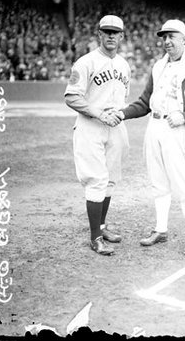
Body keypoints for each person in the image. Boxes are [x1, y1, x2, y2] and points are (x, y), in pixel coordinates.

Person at [113, 19, 185, 255]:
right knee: (158, 182)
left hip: (178, 130)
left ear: (184, 39)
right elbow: (144, 103)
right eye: (164, 37)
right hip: (155, 126)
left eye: (172, 36)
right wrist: (122, 113)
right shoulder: (158, 66)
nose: (167, 41)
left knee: (184, 185)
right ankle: (160, 230)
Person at [64, 15, 131, 256]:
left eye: (116, 32)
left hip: (116, 126)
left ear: (122, 36)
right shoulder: (86, 62)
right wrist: (100, 114)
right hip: (90, 126)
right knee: (96, 179)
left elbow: (123, 99)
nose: (111, 35)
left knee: (111, 178)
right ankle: (95, 238)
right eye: (107, 31)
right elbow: (72, 96)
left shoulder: (124, 65)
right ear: (99, 34)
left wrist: (117, 116)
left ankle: (101, 227)